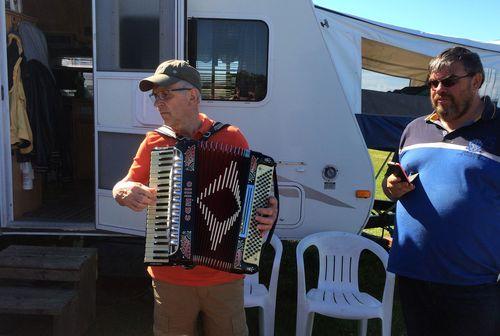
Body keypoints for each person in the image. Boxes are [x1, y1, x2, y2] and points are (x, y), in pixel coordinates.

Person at [112, 60, 278, 336]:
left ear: (193, 96)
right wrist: (123, 192)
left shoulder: (231, 138)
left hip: (224, 276)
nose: (158, 103)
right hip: (170, 275)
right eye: (156, 96)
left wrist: (266, 212)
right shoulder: (155, 142)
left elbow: (252, 196)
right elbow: (125, 183)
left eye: (166, 94)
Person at [382, 46, 499, 336]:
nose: (438, 89)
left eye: (448, 82)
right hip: (414, 274)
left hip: (474, 282)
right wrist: (391, 187)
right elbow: (391, 184)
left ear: (476, 81)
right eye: (432, 83)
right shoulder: (414, 129)